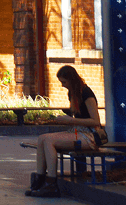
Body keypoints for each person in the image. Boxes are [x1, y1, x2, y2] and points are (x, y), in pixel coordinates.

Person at [25, 66, 103, 198]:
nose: (62, 85)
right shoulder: (72, 93)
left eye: (64, 82)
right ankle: (40, 179)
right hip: (77, 132)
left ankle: (51, 184)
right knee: (42, 138)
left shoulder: (87, 93)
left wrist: (70, 121)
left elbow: (96, 121)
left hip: (90, 136)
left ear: (72, 80)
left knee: (49, 140)